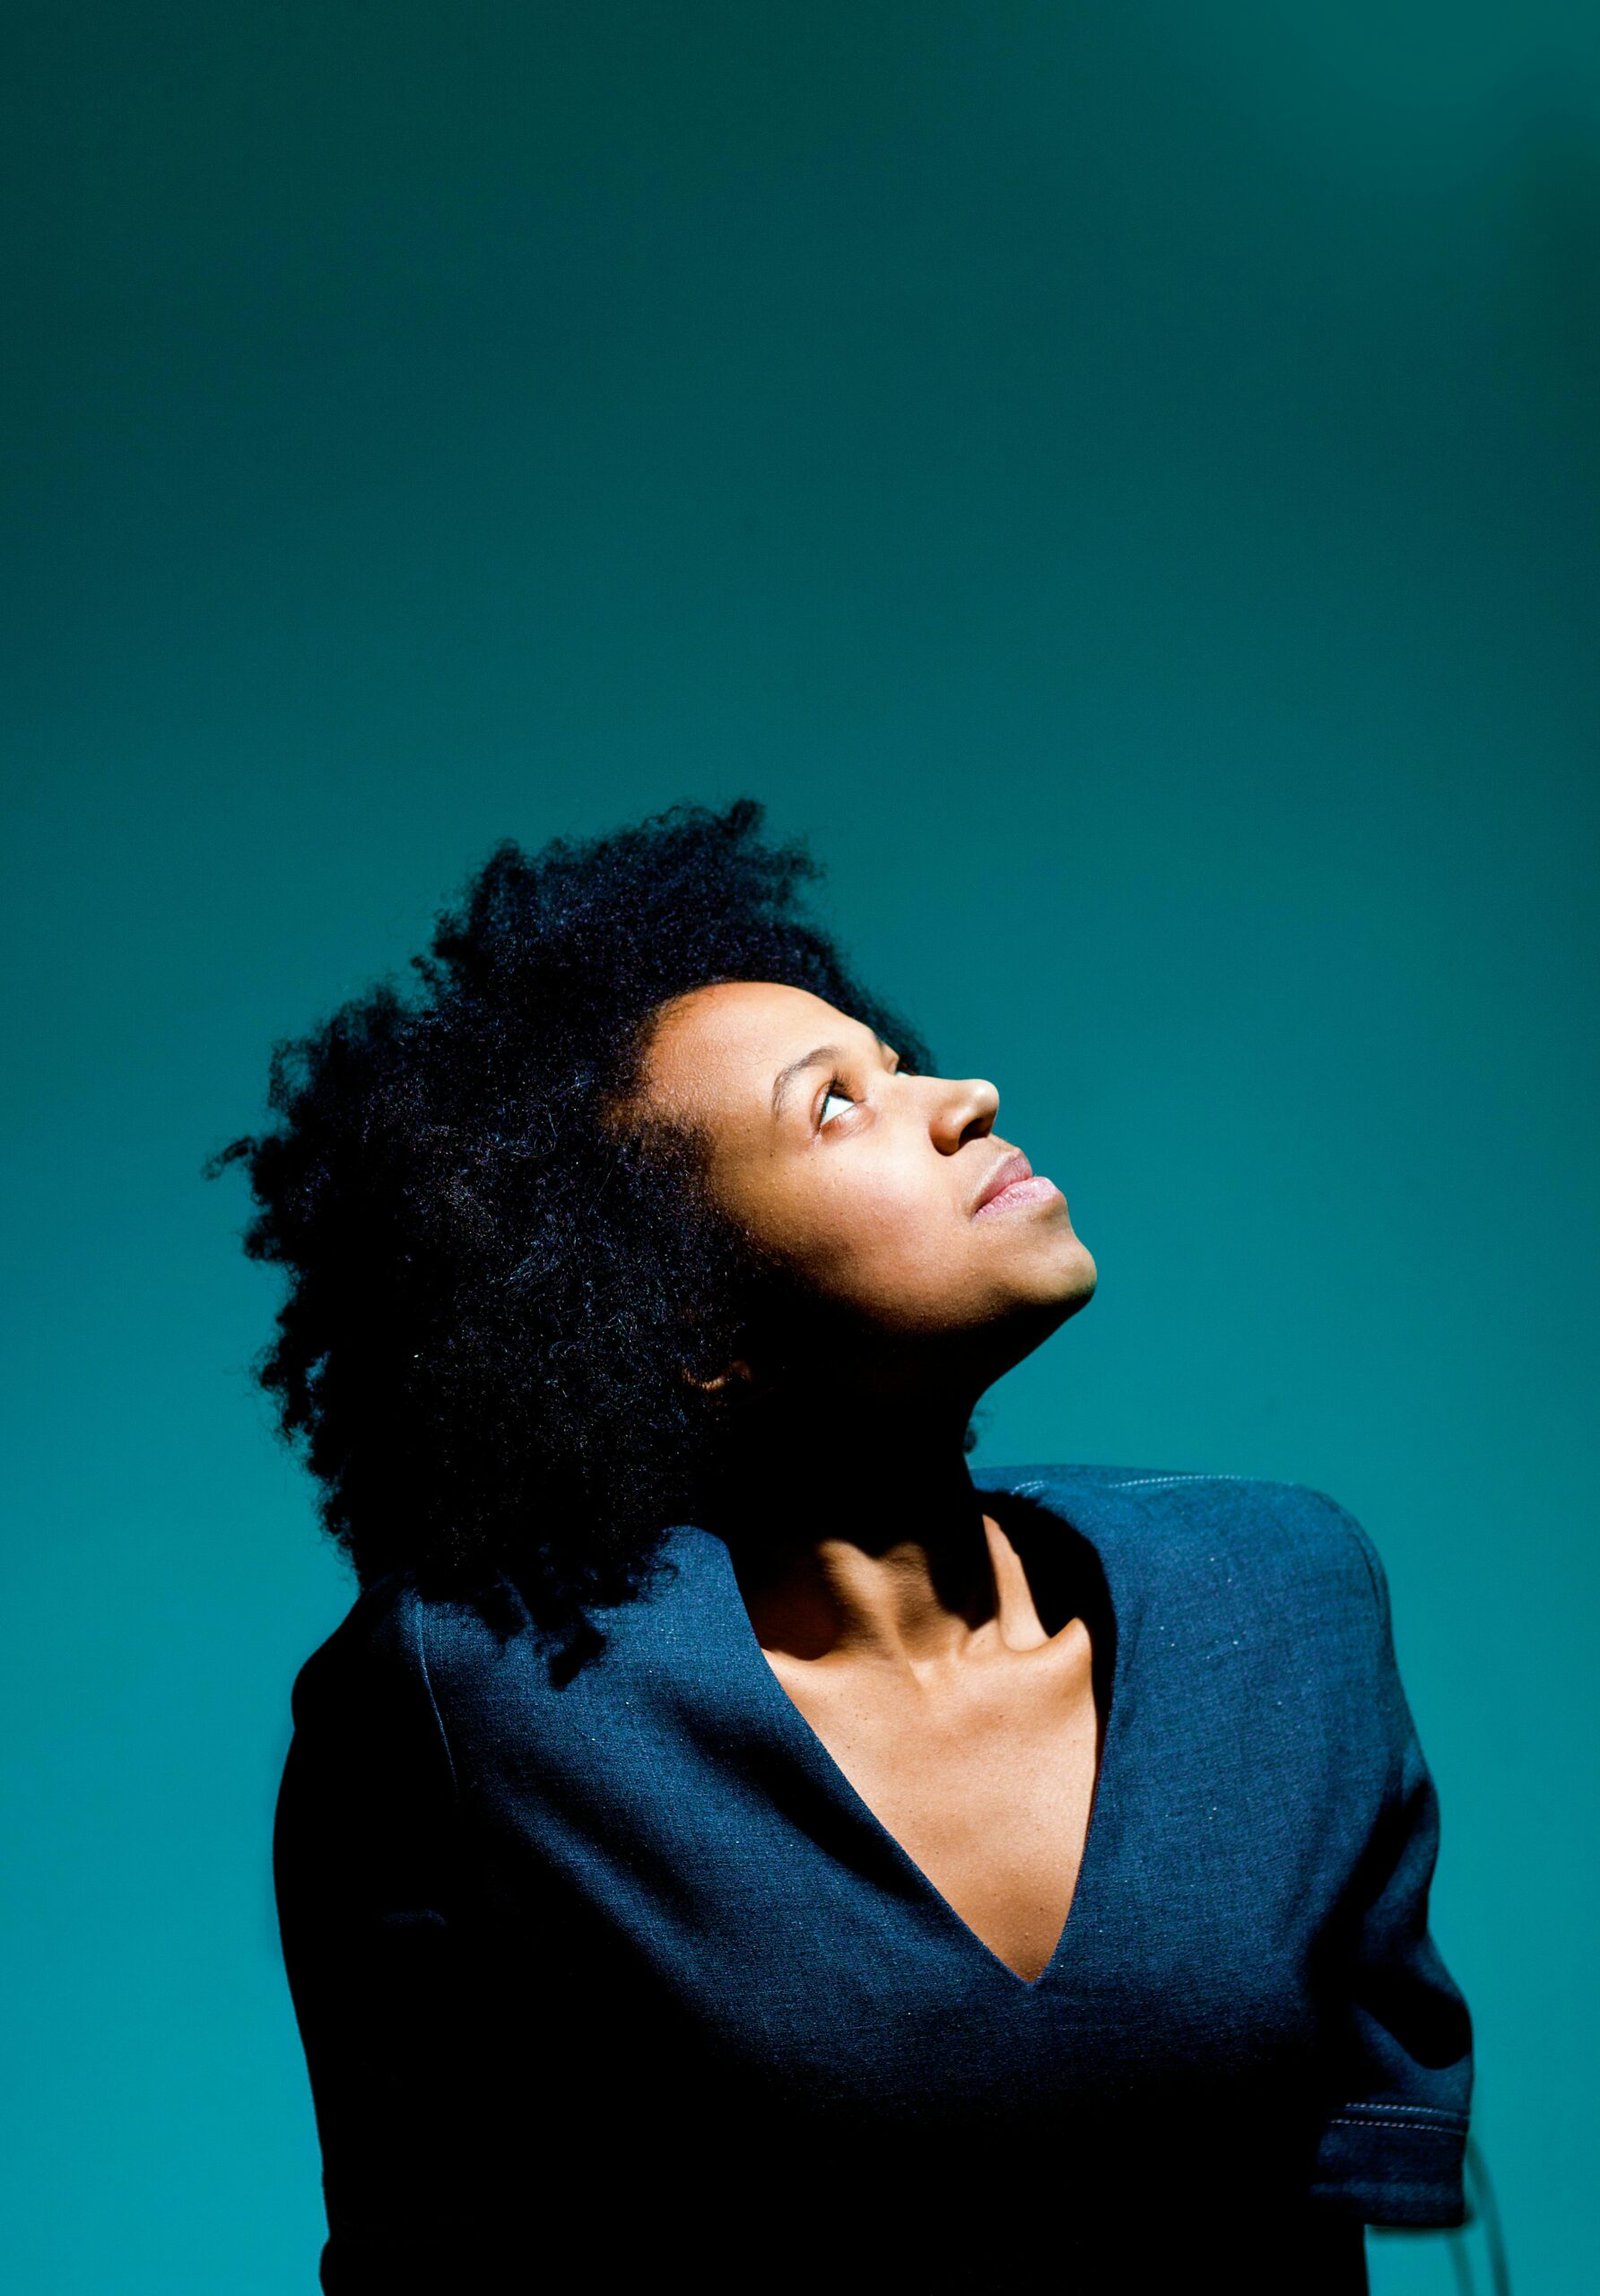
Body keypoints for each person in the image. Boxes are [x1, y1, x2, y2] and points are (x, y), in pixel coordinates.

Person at [212, 798, 1472, 2291]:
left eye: (899, 1062)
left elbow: (1375, 2211)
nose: (968, 1096)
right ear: (688, 1325)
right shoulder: (477, 1717)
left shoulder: (1277, 1604)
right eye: (835, 1106)